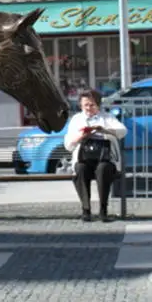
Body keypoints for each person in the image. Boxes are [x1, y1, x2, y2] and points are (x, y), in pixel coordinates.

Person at [64, 88, 127, 222]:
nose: (88, 108)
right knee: (80, 169)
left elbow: (122, 131)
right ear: (81, 105)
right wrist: (81, 136)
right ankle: (86, 210)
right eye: (85, 105)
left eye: (92, 105)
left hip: (104, 157)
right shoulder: (76, 119)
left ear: (98, 105)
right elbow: (68, 145)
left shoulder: (107, 117)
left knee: (103, 169)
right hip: (84, 157)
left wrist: (105, 130)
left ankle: (103, 210)